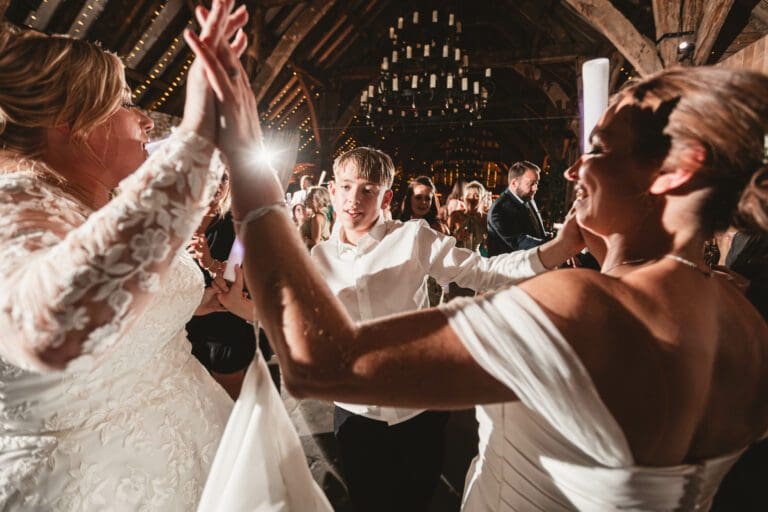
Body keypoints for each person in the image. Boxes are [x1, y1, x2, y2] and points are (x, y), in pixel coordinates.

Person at [204, 42, 768, 511]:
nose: (574, 167)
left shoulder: (579, 304)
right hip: (363, 423)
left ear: (679, 169)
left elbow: (319, 363)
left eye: (597, 148)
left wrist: (250, 172)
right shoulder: (746, 322)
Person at [0, 3, 328, 510]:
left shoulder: (99, 203)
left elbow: (119, 299)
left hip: (201, 450)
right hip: (99, 485)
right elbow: (48, 327)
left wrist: (193, 305)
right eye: (126, 101)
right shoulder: (14, 203)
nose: (145, 118)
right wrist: (195, 136)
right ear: (72, 122)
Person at [307, 147, 582, 511]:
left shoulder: (412, 239)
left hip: (419, 405)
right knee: (367, 502)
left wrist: (558, 249)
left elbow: (482, 271)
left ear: (386, 197)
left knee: (418, 499)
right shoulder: (319, 258)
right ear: (334, 191)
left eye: (367, 190)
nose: (353, 199)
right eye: (345, 187)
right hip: (357, 412)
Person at [487, 160, 548, 256]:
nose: (535, 188)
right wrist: (555, 246)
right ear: (514, 183)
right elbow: (519, 241)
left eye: (536, 183)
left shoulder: (528, 198)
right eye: (531, 184)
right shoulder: (498, 211)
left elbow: (536, 233)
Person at [300, 185, 332, 249]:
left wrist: (301, 239)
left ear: (317, 200)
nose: (306, 200)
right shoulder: (322, 214)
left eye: (309, 197)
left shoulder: (317, 217)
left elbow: (315, 242)